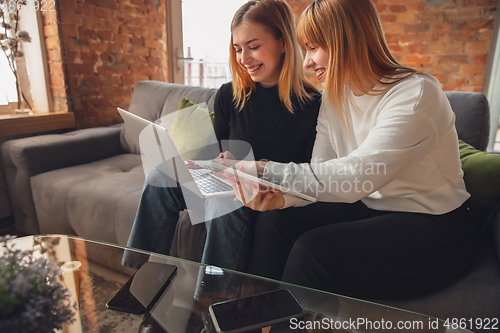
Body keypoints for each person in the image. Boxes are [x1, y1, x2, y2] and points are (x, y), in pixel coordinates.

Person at [225, 0, 479, 300]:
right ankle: (248, 319)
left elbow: (357, 176)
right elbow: (322, 168)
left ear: (347, 40)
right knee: (275, 222)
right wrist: (280, 195)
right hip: (371, 209)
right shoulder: (335, 95)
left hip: (436, 226)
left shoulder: (415, 94)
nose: (306, 62)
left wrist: (267, 169)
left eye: (314, 47)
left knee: (313, 251)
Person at [122, 0, 321, 272]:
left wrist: (250, 171)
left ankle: (214, 297)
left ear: (284, 42)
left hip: (268, 193)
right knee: (160, 177)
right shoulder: (230, 95)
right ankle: (138, 275)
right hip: (228, 182)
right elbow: (215, 153)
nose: (243, 58)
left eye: (253, 46)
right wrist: (215, 160)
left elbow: (311, 174)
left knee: (224, 204)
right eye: (238, 49)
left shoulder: (313, 105)